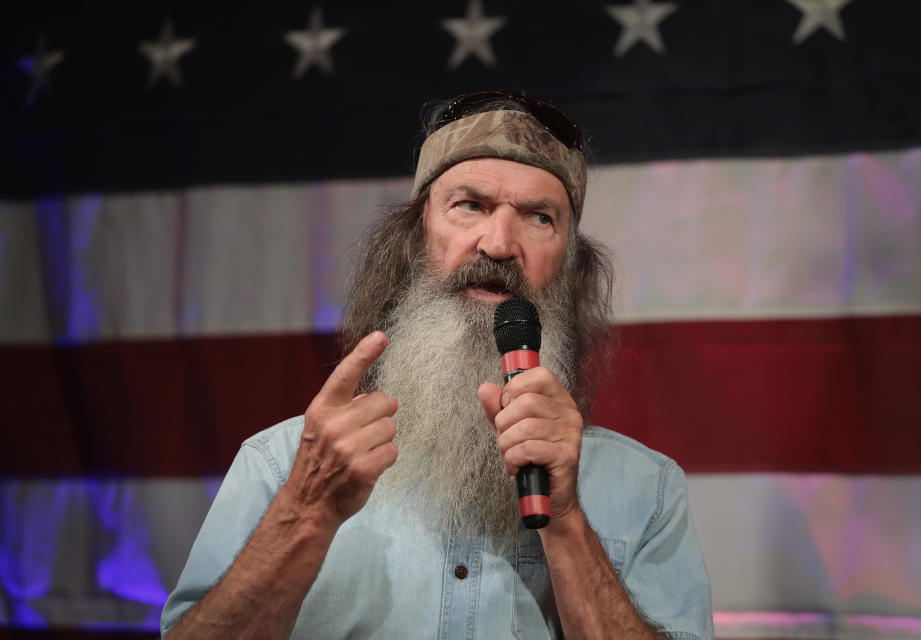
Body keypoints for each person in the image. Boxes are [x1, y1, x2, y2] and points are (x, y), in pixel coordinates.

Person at [161, 91, 713, 639]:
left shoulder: (648, 488)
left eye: (538, 217)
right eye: (470, 205)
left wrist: (566, 519)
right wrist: (305, 512)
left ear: (569, 266)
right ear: (414, 238)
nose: (498, 245)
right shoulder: (281, 466)